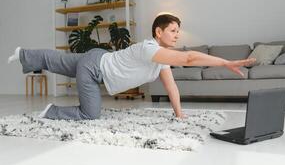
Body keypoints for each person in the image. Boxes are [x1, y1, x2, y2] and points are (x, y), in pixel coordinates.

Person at [8, 14, 255, 120]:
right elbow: (189, 58)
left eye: (179, 31)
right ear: (158, 32)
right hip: (95, 68)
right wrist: (226, 62)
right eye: (173, 31)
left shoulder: (161, 60)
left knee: (56, 60)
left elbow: (172, 89)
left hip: (98, 58)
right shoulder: (148, 48)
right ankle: (50, 111)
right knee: (90, 114)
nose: (177, 35)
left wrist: (179, 114)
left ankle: (23, 54)